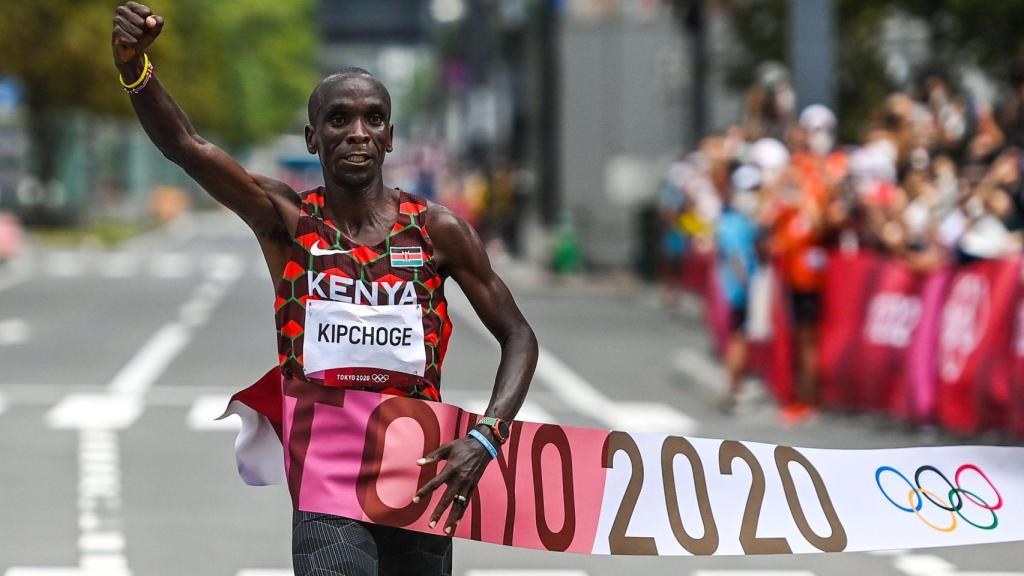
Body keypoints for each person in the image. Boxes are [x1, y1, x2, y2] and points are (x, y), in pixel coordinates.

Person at [111, 4, 539, 575]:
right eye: (339, 119)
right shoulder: (287, 222)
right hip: (327, 476)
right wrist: (135, 69)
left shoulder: (436, 230)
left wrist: (485, 437)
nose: (357, 133)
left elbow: (518, 336)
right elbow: (187, 146)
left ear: (390, 137)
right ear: (313, 137)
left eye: (373, 119)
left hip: (419, 472)